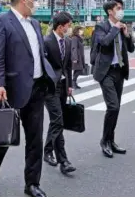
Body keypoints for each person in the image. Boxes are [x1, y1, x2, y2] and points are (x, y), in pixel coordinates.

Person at [0, 0, 57, 197]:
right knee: (4, 136)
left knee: (35, 139)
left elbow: (38, 54)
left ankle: (32, 184)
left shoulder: (34, 23)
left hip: (36, 89)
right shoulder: (2, 22)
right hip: (11, 89)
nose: (36, 1)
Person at [92, 0, 135, 158]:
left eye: (121, 7)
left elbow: (131, 49)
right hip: (106, 72)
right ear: (110, 11)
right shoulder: (101, 27)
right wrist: (115, 29)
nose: (121, 10)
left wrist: (127, 34)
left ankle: (111, 140)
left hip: (120, 71)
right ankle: (104, 141)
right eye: (118, 8)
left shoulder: (122, 27)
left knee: (116, 108)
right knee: (113, 107)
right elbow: (104, 42)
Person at [43, 12, 75, 175]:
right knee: (58, 120)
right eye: (68, 25)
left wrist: (69, 85)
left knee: (57, 121)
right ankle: (61, 159)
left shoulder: (68, 42)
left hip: (63, 85)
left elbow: (68, 66)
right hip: (49, 87)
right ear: (60, 27)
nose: (70, 28)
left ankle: (52, 152)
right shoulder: (46, 42)